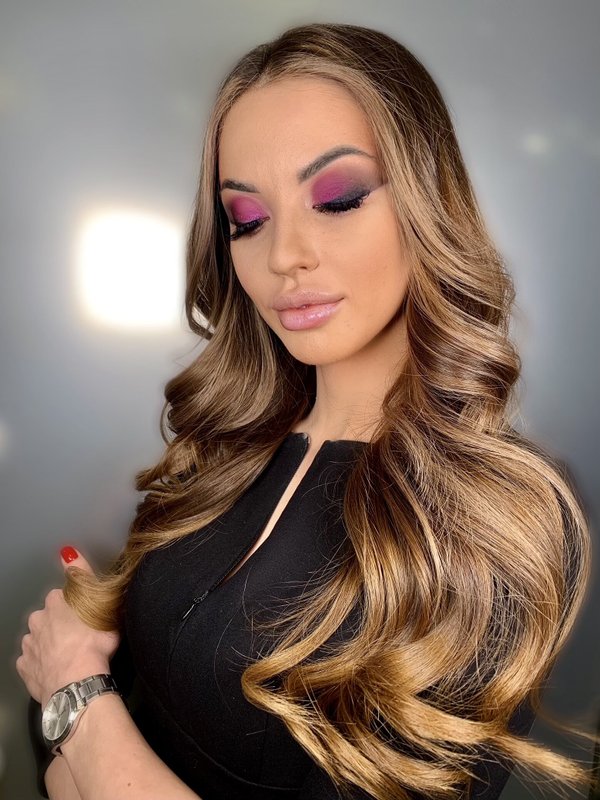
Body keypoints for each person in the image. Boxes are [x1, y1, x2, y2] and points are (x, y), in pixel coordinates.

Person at [16, 21, 594, 800]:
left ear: (424, 202)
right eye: (247, 220)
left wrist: (77, 699)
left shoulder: (501, 514)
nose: (285, 255)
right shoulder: (224, 452)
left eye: (337, 199)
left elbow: (83, 724)